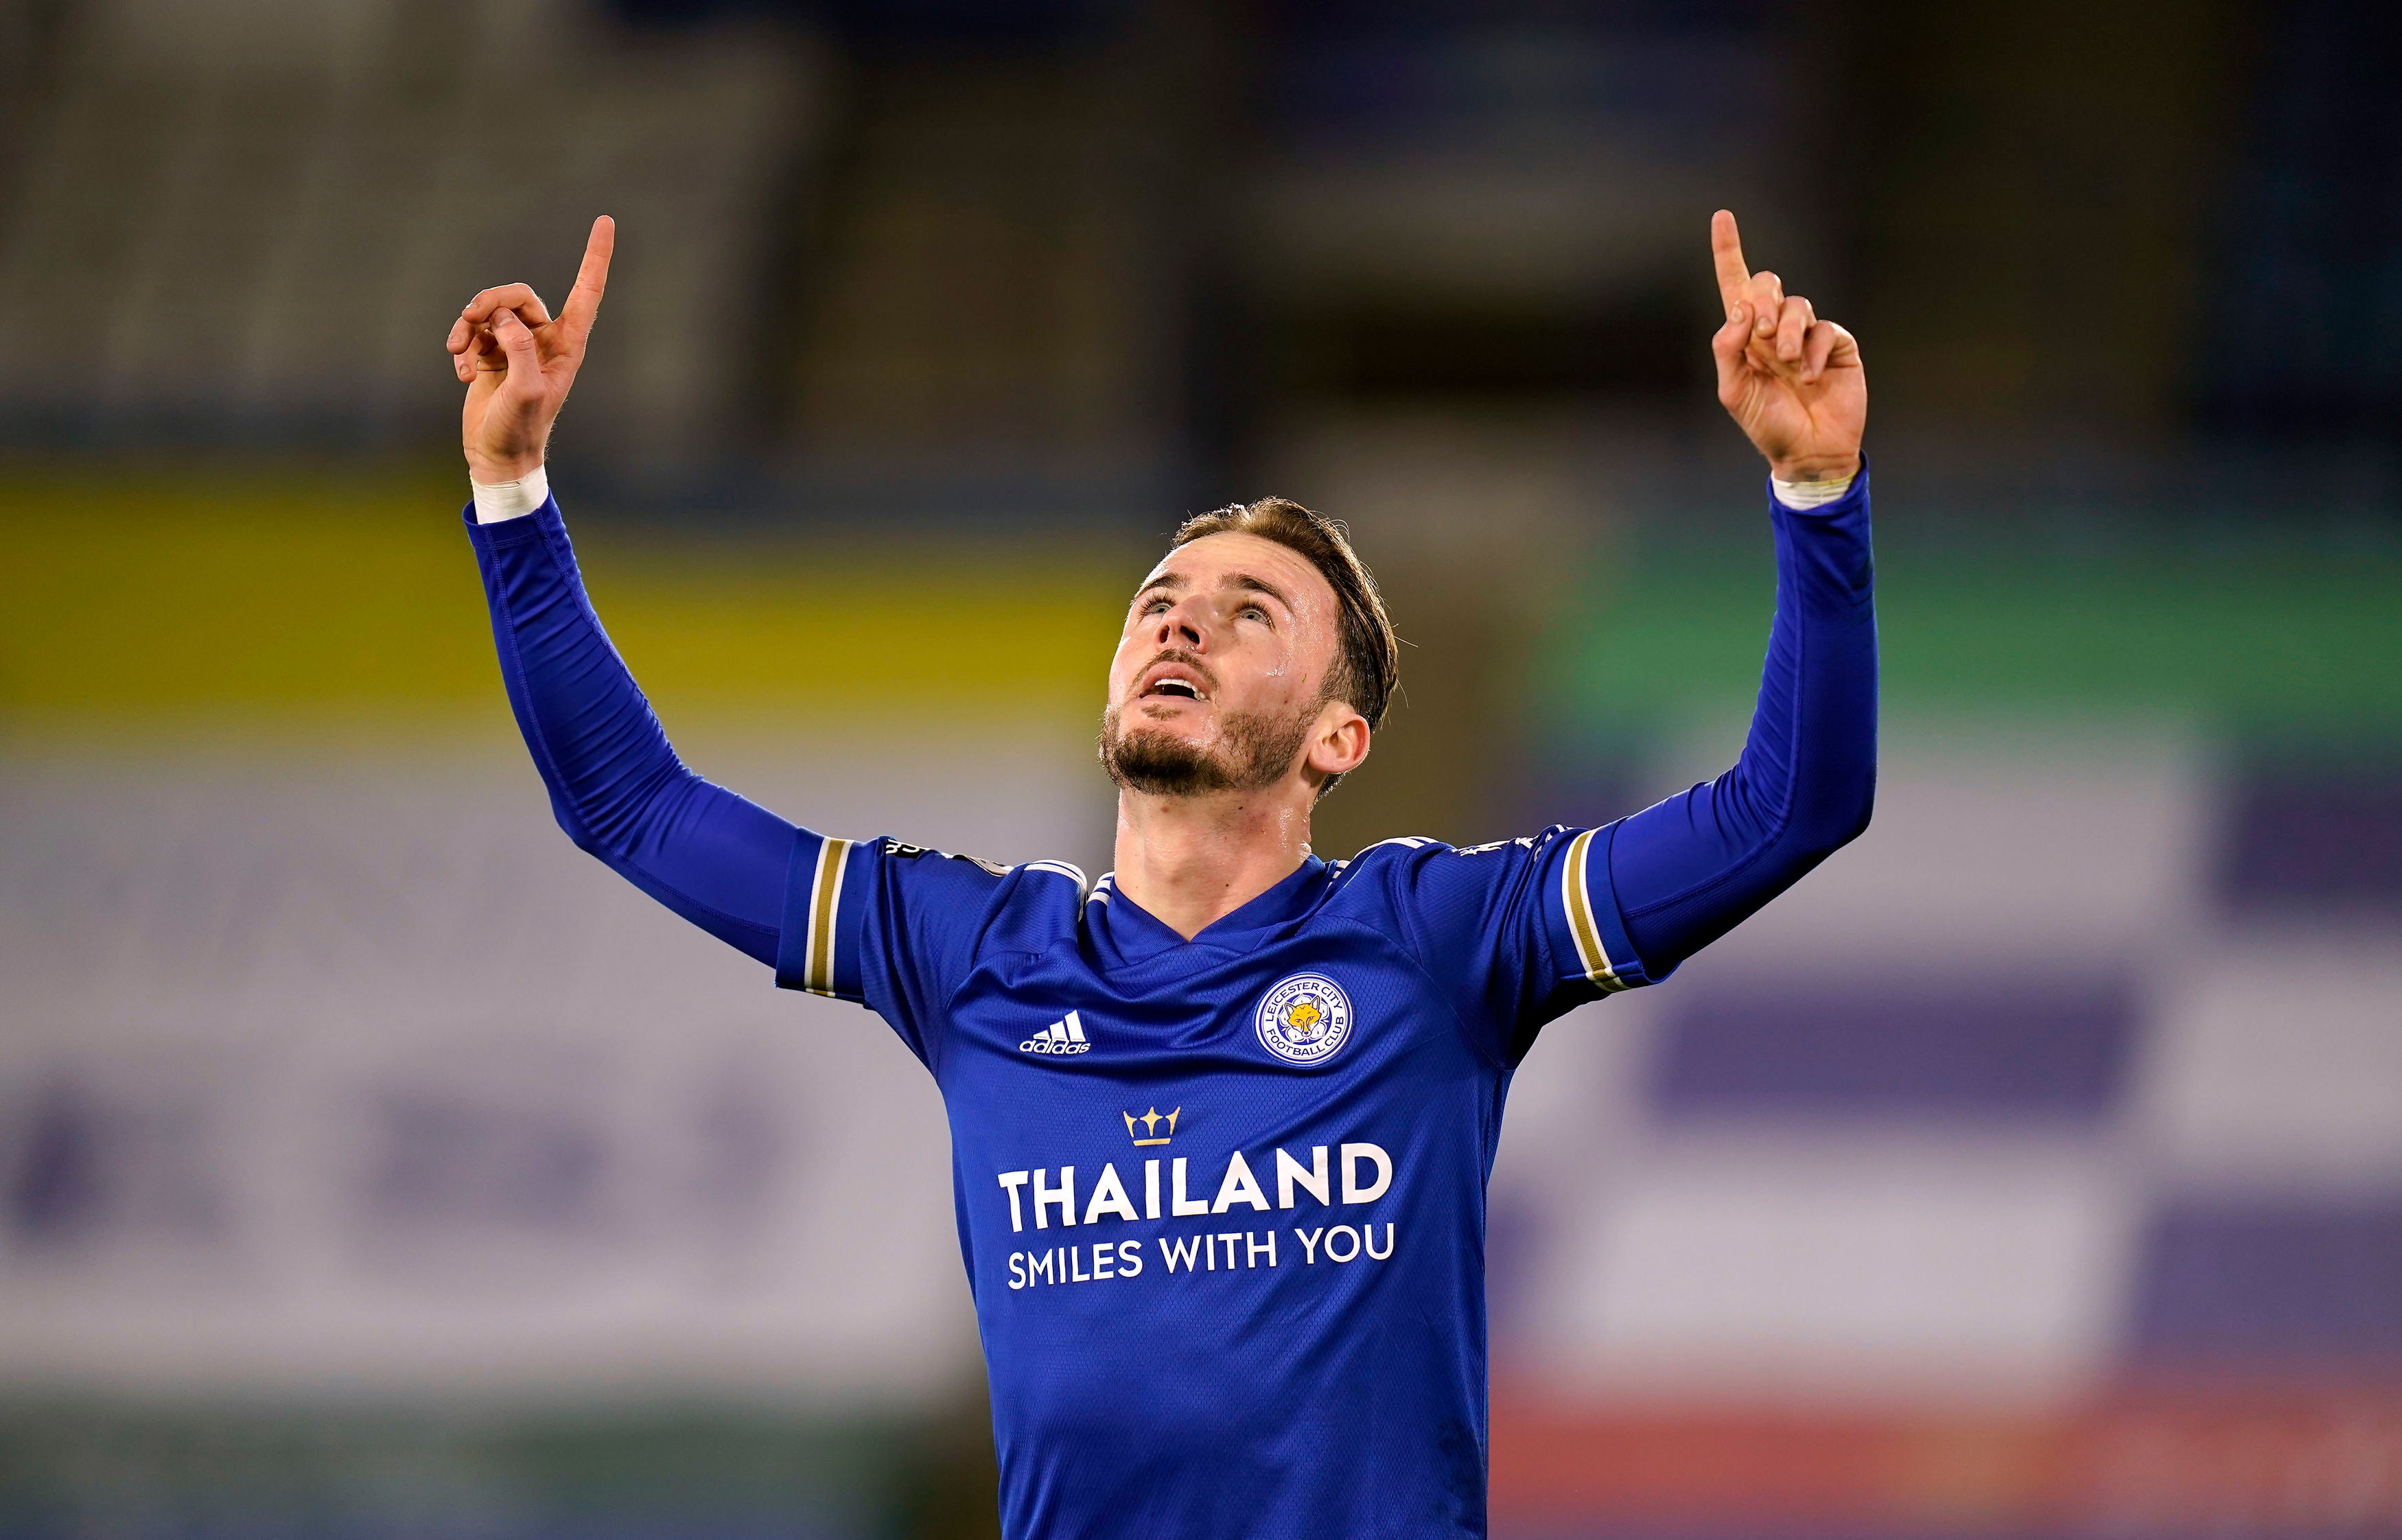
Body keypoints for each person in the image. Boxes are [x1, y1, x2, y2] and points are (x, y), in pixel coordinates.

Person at [443, 208, 1874, 1540]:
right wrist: (512, 487)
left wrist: (1815, 496)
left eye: (1249, 612)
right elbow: (629, 804)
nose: (1180, 629)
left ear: (1338, 734)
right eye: (1160, 606)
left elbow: (1787, 809)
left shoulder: (1439, 940)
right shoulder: (969, 949)